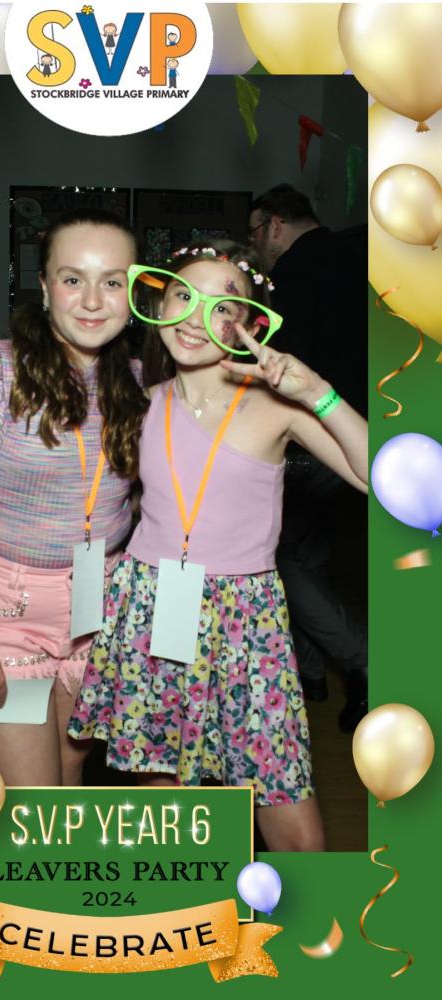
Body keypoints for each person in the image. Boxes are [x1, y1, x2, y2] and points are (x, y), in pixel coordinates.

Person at [68, 242, 368, 851]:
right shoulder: (142, 400)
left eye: (221, 306)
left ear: (246, 325)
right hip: (153, 608)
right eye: (183, 296)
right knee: (164, 803)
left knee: (287, 810)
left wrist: (317, 391)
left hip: (246, 621)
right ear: (160, 305)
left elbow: (384, 480)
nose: (195, 317)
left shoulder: (275, 405)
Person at [0, 208, 148, 787]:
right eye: (73, 279)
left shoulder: (142, 383)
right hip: (3, 618)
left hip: (98, 612)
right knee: (32, 799)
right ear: (44, 287)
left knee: (70, 775)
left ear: (134, 295)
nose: (92, 301)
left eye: (112, 282)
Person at [248, 184, 367, 730]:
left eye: (256, 232)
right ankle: (311, 671)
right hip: (358, 423)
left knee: (281, 558)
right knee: (308, 552)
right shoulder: (356, 257)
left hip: (312, 435)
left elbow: (283, 369)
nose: (257, 244)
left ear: (275, 224)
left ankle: (361, 660)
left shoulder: (292, 273)